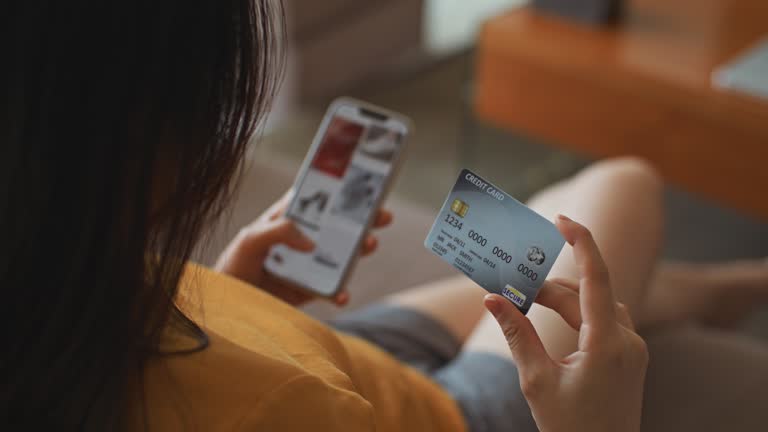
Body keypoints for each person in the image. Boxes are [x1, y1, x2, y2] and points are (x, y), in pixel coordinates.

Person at [3, 1, 768, 431]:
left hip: (313, 347)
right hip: (431, 412)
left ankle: (697, 293)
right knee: (618, 188)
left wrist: (229, 297)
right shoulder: (275, 413)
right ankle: (706, 291)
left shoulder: (50, 285)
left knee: (555, 277)